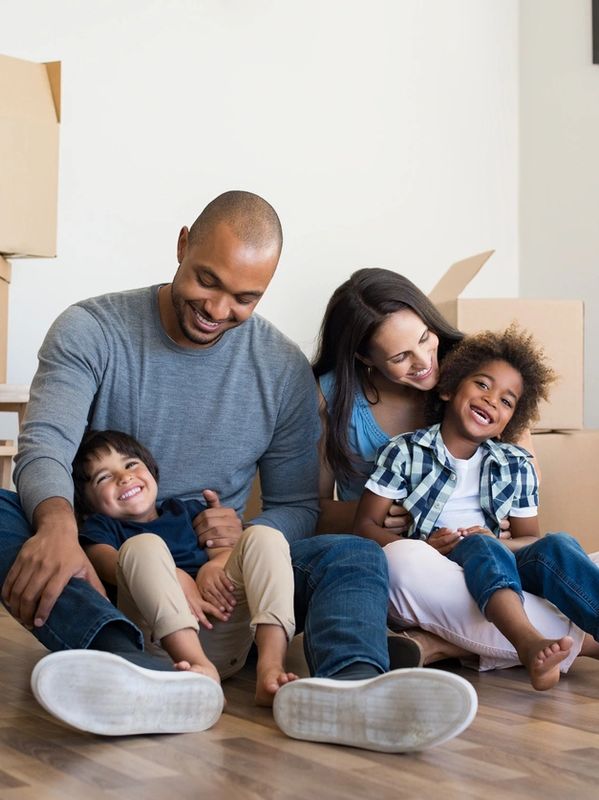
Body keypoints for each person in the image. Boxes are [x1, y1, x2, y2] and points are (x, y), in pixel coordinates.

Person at [0, 191, 476, 750]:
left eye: (245, 298)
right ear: (183, 245)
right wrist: (58, 528)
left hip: (226, 584)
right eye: (208, 281)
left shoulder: (281, 368)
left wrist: (238, 543)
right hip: (109, 565)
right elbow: (46, 446)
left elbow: (296, 505)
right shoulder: (91, 329)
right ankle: (124, 663)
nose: (218, 309)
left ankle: (350, 687)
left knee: (353, 553)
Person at [314, 268, 593, 673]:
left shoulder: (479, 372)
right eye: (400, 357)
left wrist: (506, 535)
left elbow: (527, 521)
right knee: (408, 561)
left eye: (425, 338)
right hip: (420, 563)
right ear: (365, 358)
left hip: (499, 556)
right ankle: (568, 643)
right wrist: (402, 517)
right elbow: (320, 512)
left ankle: (441, 645)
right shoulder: (354, 413)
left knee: (564, 552)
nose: (425, 361)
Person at [355, 326, 599, 690]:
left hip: (503, 564)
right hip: (442, 569)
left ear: (509, 422)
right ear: (449, 388)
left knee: (559, 544)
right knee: (470, 546)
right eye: (482, 385)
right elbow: (364, 527)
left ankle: (457, 644)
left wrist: (499, 542)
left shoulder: (516, 463)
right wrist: (425, 546)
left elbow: (529, 540)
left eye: (506, 401)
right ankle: (527, 641)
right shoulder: (404, 451)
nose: (491, 400)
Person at [73, 428, 298, 709]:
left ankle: (271, 667)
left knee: (265, 536)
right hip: (165, 646)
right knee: (142, 546)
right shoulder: (101, 529)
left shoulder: (185, 510)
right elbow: (108, 565)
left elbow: (224, 550)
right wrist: (175, 576)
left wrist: (214, 565)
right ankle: (199, 667)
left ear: (152, 471)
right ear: (87, 504)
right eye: (104, 477)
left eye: (130, 464)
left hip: (223, 624)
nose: (124, 477)